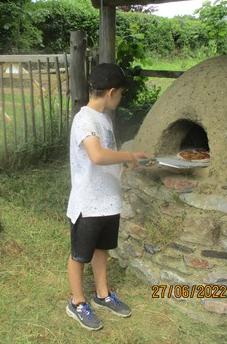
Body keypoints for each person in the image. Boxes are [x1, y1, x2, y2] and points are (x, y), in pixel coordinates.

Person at [66, 63, 153, 330]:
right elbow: (97, 155)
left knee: (101, 249)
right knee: (80, 255)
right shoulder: (84, 119)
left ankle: (102, 294)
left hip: (108, 201)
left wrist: (124, 163)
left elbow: (108, 155)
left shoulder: (104, 119)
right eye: (121, 94)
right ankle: (77, 301)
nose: (121, 98)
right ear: (112, 92)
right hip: (87, 204)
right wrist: (129, 156)